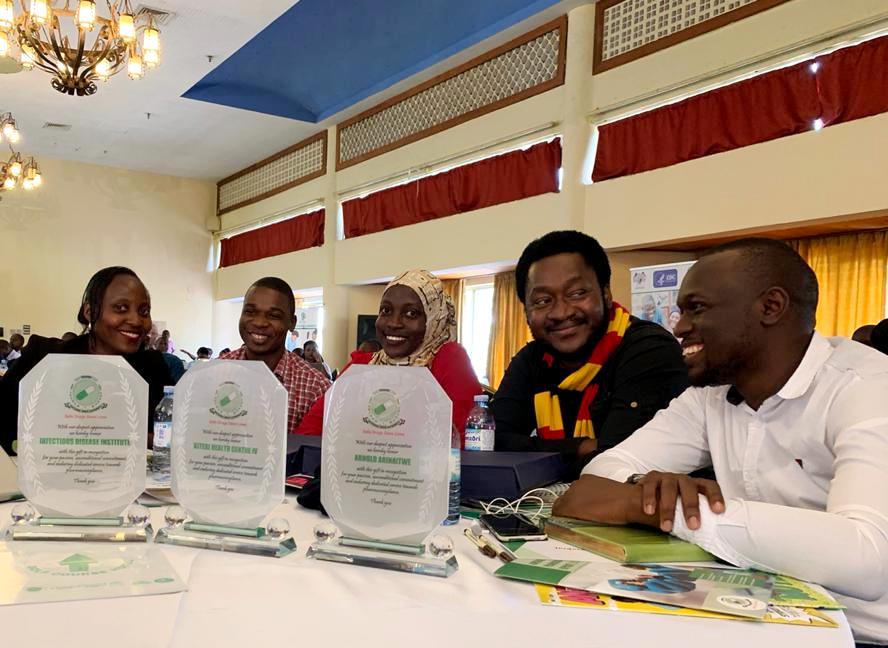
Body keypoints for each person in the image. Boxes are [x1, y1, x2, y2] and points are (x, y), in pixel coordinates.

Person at [552, 238, 888, 646]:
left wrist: (673, 510)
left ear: (770, 307)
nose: (677, 327)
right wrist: (648, 485)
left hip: (863, 634)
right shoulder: (709, 396)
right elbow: (595, 478)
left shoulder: (867, 388)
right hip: (765, 619)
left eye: (697, 308)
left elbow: (866, 558)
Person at [490, 231, 688, 476]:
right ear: (526, 311)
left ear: (605, 294)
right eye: (542, 300)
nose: (561, 312)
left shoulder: (648, 349)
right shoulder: (531, 359)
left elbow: (618, 461)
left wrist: (539, 453)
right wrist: (581, 446)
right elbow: (492, 443)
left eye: (576, 294)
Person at [0, 267, 176, 454]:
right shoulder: (45, 357)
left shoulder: (153, 367)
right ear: (90, 311)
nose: (136, 320)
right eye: (121, 308)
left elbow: (174, 438)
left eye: (144, 311)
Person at [296, 269, 482, 442]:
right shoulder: (363, 364)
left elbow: (467, 445)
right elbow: (310, 430)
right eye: (386, 310)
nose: (394, 323)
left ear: (434, 319)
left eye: (411, 313)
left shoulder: (448, 360)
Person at [221, 277, 330, 434]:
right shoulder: (215, 374)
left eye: (273, 315)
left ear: (291, 323)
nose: (259, 323)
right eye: (250, 312)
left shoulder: (316, 389)